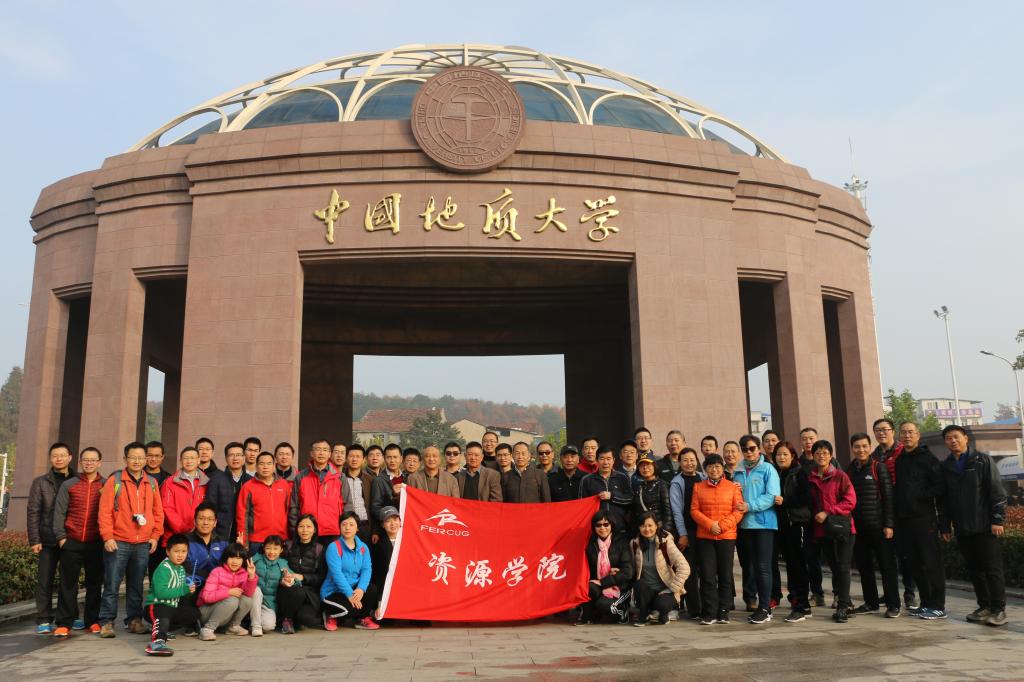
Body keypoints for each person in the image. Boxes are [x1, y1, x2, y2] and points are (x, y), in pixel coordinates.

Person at [939, 424, 1008, 626]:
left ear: (965, 438)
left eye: (956, 436)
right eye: (949, 438)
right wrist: (945, 526)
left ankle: (998, 609)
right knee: (975, 569)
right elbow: (944, 500)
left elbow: (997, 492)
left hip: (985, 525)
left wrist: (997, 519)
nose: (953, 441)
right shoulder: (946, 466)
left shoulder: (982, 460)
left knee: (992, 569)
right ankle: (984, 606)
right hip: (963, 527)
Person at [97, 442, 165, 638]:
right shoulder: (115, 480)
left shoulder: (151, 482)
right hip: (118, 541)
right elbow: (104, 512)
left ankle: (134, 620)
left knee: (136, 585)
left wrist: (155, 536)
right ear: (125, 459)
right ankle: (107, 622)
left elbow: (158, 512)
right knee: (112, 583)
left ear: (145, 460)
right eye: (133, 457)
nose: (137, 461)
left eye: (140, 458)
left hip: (142, 542)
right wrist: (107, 537)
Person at [894, 421, 946, 620]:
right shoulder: (900, 459)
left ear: (918, 435)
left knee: (931, 562)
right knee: (915, 563)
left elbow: (939, 487)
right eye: (903, 432)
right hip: (905, 520)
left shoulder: (928, 458)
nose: (907, 435)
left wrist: (919, 495)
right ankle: (925, 603)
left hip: (924, 518)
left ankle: (938, 606)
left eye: (910, 432)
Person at [52, 446, 104, 636]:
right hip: (71, 541)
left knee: (94, 583)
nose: (89, 463)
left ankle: (93, 620)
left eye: (93, 460)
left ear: (99, 463)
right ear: (80, 462)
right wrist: (61, 538)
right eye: (86, 460)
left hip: (96, 542)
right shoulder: (70, 484)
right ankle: (64, 622)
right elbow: (59, 512)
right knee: (68, 584)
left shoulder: (106, 484)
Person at [847, 432, 900, 618]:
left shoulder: (879, 467)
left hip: (879, 527)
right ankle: (871, 602)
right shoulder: (850, 470)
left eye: (864, 446)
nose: (861, 450)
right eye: (857, 447)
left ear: (870, 447)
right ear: (852, 449)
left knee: (887, 567)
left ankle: (893, 604)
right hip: (858, 528)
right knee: (864, 568)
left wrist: (889, 524)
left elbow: (888, 498)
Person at [690, 454, 744, 625]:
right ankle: (710, 612)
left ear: (722, 468)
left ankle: (723, 610)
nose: (714, 469)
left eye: (718, 466)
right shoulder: (698, 487)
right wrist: (710, 525)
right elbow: (694, 510)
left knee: (725, 575)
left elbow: (739, 511)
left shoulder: (733, 487)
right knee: (707, 575)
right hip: (705, 536)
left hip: (726, 536)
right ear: (705, 469)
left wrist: (721, 526)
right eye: (711, 466)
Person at [808, 439, 857, 623]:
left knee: (843, 567)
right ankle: (847, 601)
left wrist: (828, 512)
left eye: (825, 453)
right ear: (813, 456)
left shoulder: (840, 476)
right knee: (835, 567)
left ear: (830, 456)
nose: (821, 456)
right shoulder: (810, 477)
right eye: (818, 453)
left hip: (843, 528)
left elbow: (850, 501)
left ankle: (842, 607)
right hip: (824, 531)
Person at [27, 441, 73, 634]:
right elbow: (33, 511)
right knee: (44, 580)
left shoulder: (77, 480)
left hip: (70, 538)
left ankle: (66, 617)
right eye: (55, 456)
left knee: (68, 581)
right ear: (50, 458)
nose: (59, 459)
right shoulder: (40, 482)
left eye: (62, 455)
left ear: (70, 458)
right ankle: (44, 618)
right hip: (47, 539)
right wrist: (34, 539)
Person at [733, 434, 780, 624]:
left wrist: (749, 506)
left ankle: (765, 607)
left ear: (758, 448)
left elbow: (772, 496)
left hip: (763, 524)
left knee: (763, 567)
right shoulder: (738, 471)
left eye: (752, 448)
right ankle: (759, 605)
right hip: (744, 525)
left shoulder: (768, 469)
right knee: (751, 567)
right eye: (745, 449)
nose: (749, 452)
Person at [872, 417, 916, 609]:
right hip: (882, 510)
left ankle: (910, 593)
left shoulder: (902, 451)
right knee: (886, 556)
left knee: (906, 554)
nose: (881, 433)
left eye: (885, 429)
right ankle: (890, 593)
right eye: (878, 430)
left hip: (902, 508)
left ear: (892, 431)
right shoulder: (874, 456)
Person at [772, 442, 813, 623]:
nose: (781, 457)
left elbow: (807, 498)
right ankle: (797, 602)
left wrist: (785, 500)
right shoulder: (776, 473)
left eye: (785, 454)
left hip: (797, 523)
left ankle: (802, 606)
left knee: (798, 565)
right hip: (782, 525)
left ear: (793, 456)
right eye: (778, 454)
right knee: (790, 565)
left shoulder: (799, 472)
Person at [321, 512, 380, 630]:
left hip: (353, 589)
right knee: (351, 611)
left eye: (351, 524)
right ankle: (330, 615)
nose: (347, 527)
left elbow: (366, 570)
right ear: (339, 527)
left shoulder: (363, 547)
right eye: (344, 524)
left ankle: (362, 619)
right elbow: (337, 574)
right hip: (333, 592)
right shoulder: (334, 547)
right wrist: (349, 594)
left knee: (372, 589)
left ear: (357, 528)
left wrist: (361, 589)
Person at [630, 511, 689, 626]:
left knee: (662, 604)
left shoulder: (666, 543)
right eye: (643, 526)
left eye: (650, 525)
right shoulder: (634, 544)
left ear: (657, 526)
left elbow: (685, 567)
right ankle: (643, 615)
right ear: (639, 527)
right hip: (647, 592)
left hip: (665, 591)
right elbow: (631, 569)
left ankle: (664, 614)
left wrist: (672, 589)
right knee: (639, 584)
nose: (647, 529)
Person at [144, 533, 199, 656]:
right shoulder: (164, 568)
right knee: (164, 610)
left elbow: (180, 593)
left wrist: (189, 591)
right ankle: (157, 642)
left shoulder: (181, 569)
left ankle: (164, 629)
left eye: (184, 551)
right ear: (168, 552)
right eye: (176, 551)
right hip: (156, 606)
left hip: (171, 607)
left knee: (193, 614)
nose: (180, 555)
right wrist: (184, 590)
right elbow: (161, 593)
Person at [578, 510, 634, 625]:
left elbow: (627, 572)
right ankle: (589, 615)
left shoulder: (621, 542)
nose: (602, 528)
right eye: (598, 525)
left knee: (605, 606)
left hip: (620, 587)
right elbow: (586, 569)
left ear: (612, 525)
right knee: (588, 587)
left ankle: (623, 611)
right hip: (600, 585)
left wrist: (602, 581)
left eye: (606, 524)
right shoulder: (590, 544)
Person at [668, 448, 704, 620]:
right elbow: (676, 512)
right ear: (679, 463)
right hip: (688, 530)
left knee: (706, 570)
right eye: (685, 460)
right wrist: (683, 534)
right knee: (689, 571)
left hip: (705, 529)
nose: (689, 463)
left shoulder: (703, 477)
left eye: (692, 459)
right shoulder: (677, 482)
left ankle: (707, 606)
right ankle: (694, 609)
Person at [183, 503, 229, 632]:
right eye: (201, 518)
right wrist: (206, 576)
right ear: (195, 521)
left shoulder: (223, 541)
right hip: (196, 582)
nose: (205, 523)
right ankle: (190, 623)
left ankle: (222, 622)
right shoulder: (186, 540)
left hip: (217, 583)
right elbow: (183, 565)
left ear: (215, 522)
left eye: (209, 519)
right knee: (187, 584)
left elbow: (228, 564)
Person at [289, 438, 345, 546]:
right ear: (311, 453)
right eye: (318, 449)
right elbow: (294, 505)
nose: (321, 453)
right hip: (307, 531)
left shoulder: (339, 477)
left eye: (325, 450)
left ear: (329, 454)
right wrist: (295, 528)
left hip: (333, 531)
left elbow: (347, 504)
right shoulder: (301, 476)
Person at [197, 543, 258, 640]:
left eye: (238, 558)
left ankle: (233, 626)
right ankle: (207, 629)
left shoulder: (244, 573)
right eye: (232, 557)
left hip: (226, 614)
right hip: (206, 612)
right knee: (232, 600)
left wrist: (251, 576)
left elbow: (248, 594)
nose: (235, 561)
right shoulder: (217, 572)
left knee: (247, 600)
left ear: (243, 560)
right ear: (226, 558)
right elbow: (206, 597)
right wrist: (228, 592)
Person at [277, 514, 326, 633]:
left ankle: (293, 617)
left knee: (308, 619)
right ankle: (287, 620)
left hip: (309, 593)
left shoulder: (319, 549)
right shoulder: (288, 546)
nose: (305, 530)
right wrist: (284, 578)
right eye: (301, 526)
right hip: (288, 590)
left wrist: (303, 577)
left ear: (314, 530)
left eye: (309, 526)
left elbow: (321, 577)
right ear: (296, 528)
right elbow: (276, 564)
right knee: (298, 593)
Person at [237, 452, 292, 555]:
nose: (265, 467)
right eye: (261, 464)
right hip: (257, 540)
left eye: (269, 463)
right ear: (256, 466)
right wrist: (244, 541)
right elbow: (242, 516)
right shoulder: (248, 487)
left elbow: (289, 511)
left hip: (280, 538)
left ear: (274, 465)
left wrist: (290, 537)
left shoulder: (284, 484)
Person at [160, 446, 210, 548]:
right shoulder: (170, 482)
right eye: (186, 458)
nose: (189, 461)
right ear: (180, 461)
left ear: (198, 460)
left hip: (200, 536)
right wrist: (185, 528)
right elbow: (167, 508)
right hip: (176, 537)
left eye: (192, 458)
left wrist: (200, 528)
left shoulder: (206, 482)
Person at [797, 427, 825, 606]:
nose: (808, 442)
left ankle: (839, 594)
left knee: (834, 558)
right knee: (811, 558)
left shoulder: (828, 459)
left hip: (828, 516)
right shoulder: (798, 464)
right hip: (807, 518)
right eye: (804, 439)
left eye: (811, 438)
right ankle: (817, 593)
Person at [579, 446, 634, 535]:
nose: (605, 462)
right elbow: (582, 506)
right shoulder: (587, 480)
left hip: (620, 529)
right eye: (602, 459)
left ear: (613, 460)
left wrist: (612, 496)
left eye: (608, 459)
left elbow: (630, 499)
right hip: (597, 530)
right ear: (596, 460)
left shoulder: (622, 477)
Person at [205, 441, 252, 542]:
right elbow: (210, 507)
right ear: (226, 458)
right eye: (231, 455)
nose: (235, 458)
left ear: (244, 458)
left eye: (238, 455)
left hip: (246, 534)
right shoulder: (216, 479)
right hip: (222, 534)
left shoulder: (251, 481)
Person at [252, 535, 290, 636]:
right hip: (253, 597)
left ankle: (253, 621)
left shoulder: (283, 564)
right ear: (263, 548)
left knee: (268, 626)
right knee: (256, 590)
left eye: (275, 549)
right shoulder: (256, 559)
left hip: (268, 601)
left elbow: (292, 578)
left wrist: (288, 580)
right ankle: (256, 626)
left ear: (281, 550)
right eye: (268, 548)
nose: (272, 552)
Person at [341, 444, 374, 541]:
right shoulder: (339, 478)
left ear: (364, 459)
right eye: (351, 456)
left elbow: (373, 505)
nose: (354, 459)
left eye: (358, 456)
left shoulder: (370, 480)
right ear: (346, 458)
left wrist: (375, 530)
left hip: (364, 525)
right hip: (345, 525)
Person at [634, 456, 674, 535]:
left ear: (654, 466)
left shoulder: (662, 485)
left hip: (659, 529)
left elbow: (668, 511)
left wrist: (665, 531)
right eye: (642, 465)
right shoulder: (639, 487)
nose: (645, 468)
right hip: (644, 530)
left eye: (648, 465)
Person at [371, 443, 406, 531]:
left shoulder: (408, 478)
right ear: (384, 458)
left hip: (407, 525)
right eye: (389, 457)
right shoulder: (378, 480)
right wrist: (391, 519)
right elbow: (375, 508)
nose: (392, 460)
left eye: (395, 457)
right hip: (389, 527)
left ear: (401, 458)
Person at [370, 506, 401, 594]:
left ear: (400, 521)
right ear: (382, 525)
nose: (392, 524)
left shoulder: (408, 541)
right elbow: (378, 574)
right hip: (386, 589)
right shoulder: (378, 546)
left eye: (395, 519)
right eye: (388, 521)